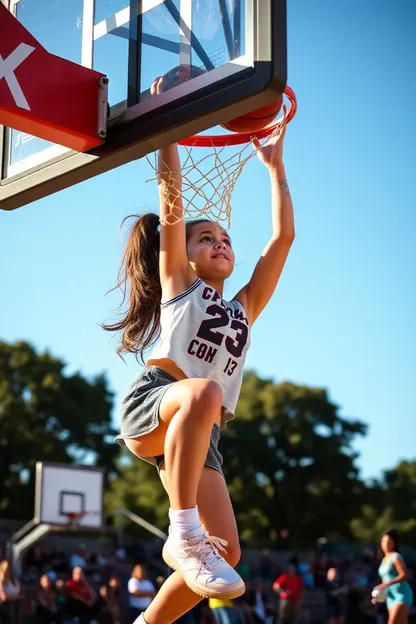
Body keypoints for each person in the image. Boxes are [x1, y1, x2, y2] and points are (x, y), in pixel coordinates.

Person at [106, 70, 294, 624]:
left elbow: (281, 241)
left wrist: (275, 165)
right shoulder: (178, 286)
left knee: (228, 558)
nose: (220, 243)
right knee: (203, 394)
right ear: (184, 255)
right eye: (205, 237)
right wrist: (171, 124)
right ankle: (181, 530)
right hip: (159, 400)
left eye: (225, 239)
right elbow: (172, 199)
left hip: (197, 431)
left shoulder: (242, 309)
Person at [373, 529, 413, 624]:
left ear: (393, 543)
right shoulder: (383, 560)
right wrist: (378, 596)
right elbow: (384, 582)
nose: (385, 544)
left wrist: (387, 584)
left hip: (401, 594)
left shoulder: (396, 556)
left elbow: (404, 575)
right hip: (390, 597)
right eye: (383, 541)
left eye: (388, 541)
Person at [0, 559, 23, 624]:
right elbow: (3, 597)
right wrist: (17, 596)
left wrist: (17, 597)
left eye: (9, 568)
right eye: (7, 568)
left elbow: (21, 593)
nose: (8, 570)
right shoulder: (1, 581)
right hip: (6, 606)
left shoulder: (14, 580)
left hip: (17, 604)